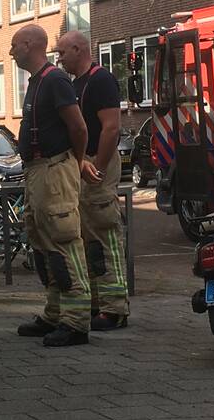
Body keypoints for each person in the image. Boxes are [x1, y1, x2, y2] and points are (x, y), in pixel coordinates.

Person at [10, 24, 93, 347]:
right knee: (43, 243)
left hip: (53, 171)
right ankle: (55, 312)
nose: (11, 51)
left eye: (15, 45)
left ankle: (76, 322)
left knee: (63, 241)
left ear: (30, 45)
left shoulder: (55, 81)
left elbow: (79, 128)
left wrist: (73, 163)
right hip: (37, 172)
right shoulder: (38, 82)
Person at [54, 30, 130, 330]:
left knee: (104, 231)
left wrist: (96, 167)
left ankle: (115, 308)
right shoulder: (76, 84)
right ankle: (98, 302)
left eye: (62, 53)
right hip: (83, 163)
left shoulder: (100, 80)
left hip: (98, 162)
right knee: (87, 236)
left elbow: (111, 128)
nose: (59, 59)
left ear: (77, 49)